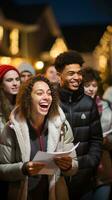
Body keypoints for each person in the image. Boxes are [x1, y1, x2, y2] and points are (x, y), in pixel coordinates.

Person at [0, 75, 78, 200]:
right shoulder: (12, 128)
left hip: (55, 194)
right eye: (39, 93)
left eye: (49, 93)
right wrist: (23, 168)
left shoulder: (61, 124)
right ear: (28, 98)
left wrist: (68, 165)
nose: (46, 97)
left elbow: (74, 167)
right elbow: (2, 170)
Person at [54, 50, 103, 200]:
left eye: (79, 73)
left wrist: (85, 163)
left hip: (84, 181)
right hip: (56, 179)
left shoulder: (89, 103)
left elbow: (96, 140)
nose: (77, 77)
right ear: (59, 75)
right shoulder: (50, 102)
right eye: (71, 73)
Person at [83, 67, 112, 200]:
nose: (91, 89)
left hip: (103, 168)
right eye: (87, 85)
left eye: (94, 85)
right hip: (83, 171)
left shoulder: (106, 106)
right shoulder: (76, 107)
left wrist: (107, 140)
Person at [0, 64, 20, 133]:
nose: (15, 83)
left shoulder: (23, 104)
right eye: (9, 80)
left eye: (17, 79)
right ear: (1, 84)